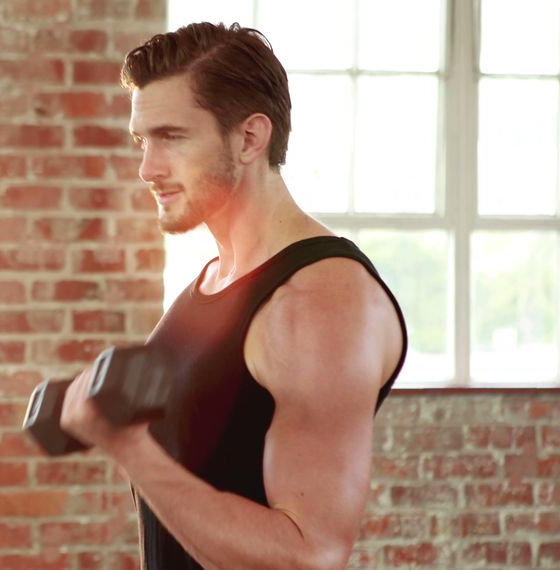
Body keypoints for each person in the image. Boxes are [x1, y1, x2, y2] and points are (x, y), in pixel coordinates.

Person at [59, 22, 408, 570]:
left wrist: (129, 448)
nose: (147, 168)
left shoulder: (318, 301)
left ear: (249, 138)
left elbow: (310, 553)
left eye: (171, 137)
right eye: (142, 141)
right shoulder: (214, 279)